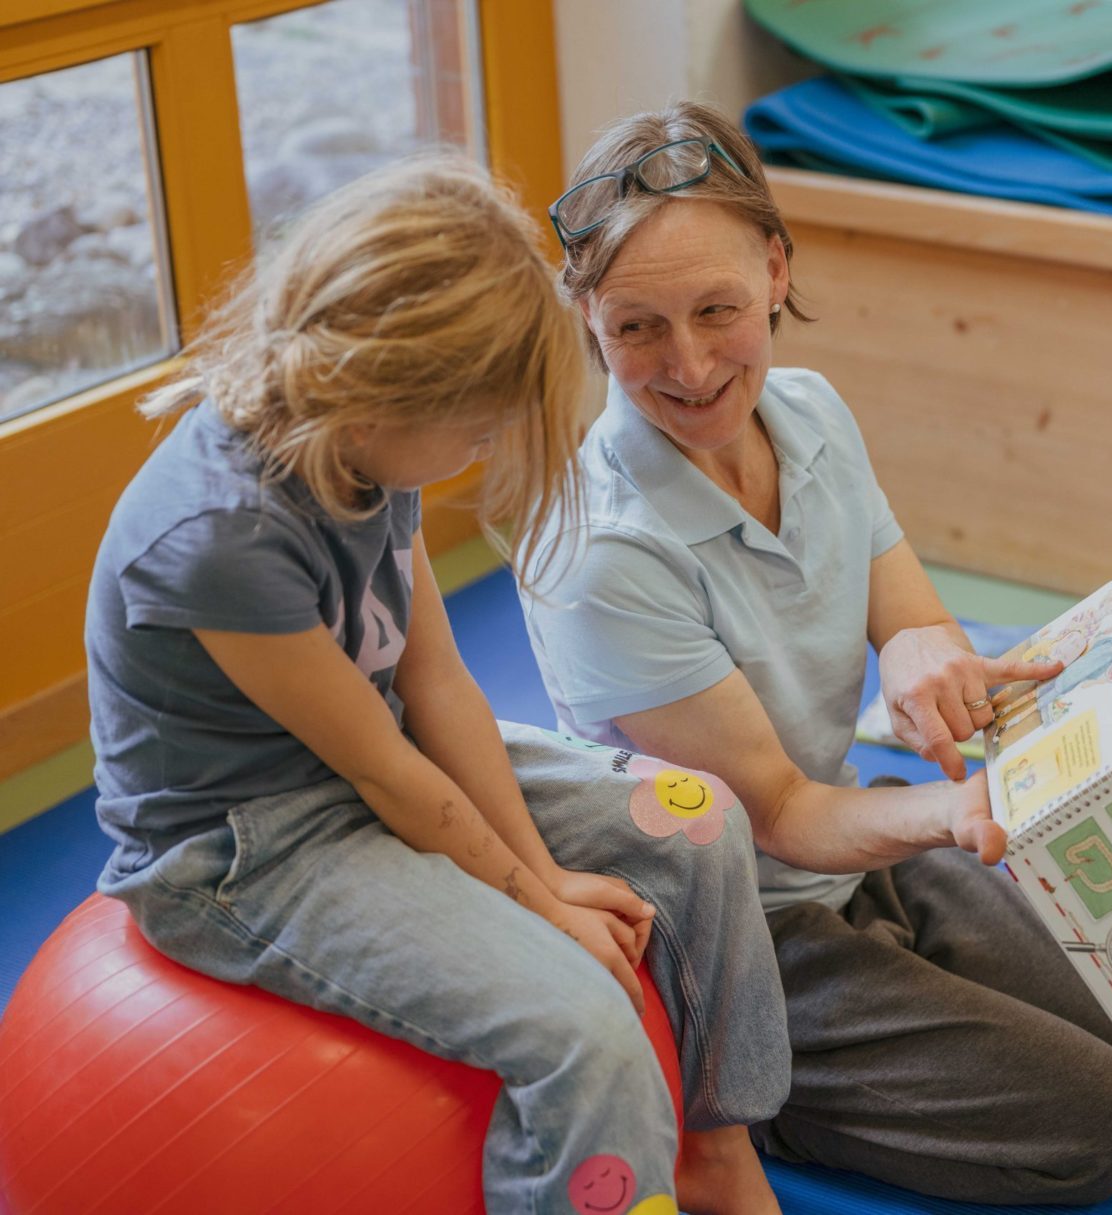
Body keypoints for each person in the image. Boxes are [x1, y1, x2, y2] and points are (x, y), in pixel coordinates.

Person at [85, 156, 788, 1215]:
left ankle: (717, 1155)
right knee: (579, 1025)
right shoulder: (219, 539)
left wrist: (543, 881)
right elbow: (387, 777)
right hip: (245, 846)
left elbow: (436, 684)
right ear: (378, 391)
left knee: (696, 823)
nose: (484, 447)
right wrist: (539, 903)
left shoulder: (367, 453)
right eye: (475, 423)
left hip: (381, 762)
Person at [522, 104, 1112, 1205]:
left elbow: (911, 616)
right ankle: (734, 1096)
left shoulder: (810, 411)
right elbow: (776, 816)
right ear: (586, 316)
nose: (687, 366)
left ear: (776, 268)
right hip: (732, 937)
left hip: (858, 846)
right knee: (1105, 1123)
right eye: (636, 329)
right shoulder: (596, 550)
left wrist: (925, 661)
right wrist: (958, 813)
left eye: (718, 309)